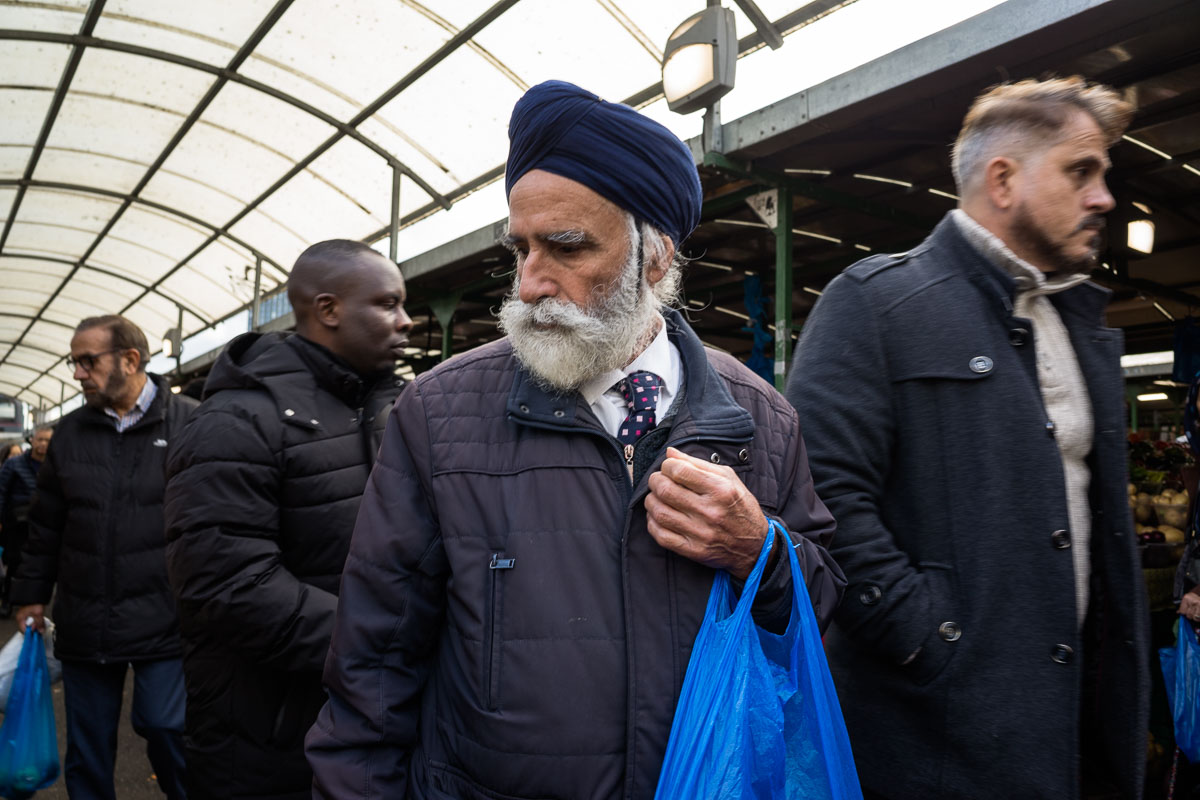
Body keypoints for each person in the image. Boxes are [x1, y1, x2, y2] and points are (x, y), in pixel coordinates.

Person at [305, 80, 844, 799]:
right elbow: (371, 675)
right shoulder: (439, 414)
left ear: (655, 257)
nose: (530, 284)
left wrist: (759, 550)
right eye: (521, 249)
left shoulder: (760, 417)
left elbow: (824, 607)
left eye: (565, 247)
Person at [786, 76, 1150, 799]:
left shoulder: (1071, 321)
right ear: (1003, 178)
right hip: (939, 742)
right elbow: (822, 495)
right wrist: (930, 639)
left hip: (1070, 731)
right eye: (1082, 170)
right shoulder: (877, 303)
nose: (1104, 196)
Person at [163, 239, 412, 799]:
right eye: (388, 304)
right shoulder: (233, 423)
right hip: (266, 738)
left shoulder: (393, 410)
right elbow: (225, 585)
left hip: (368, 720)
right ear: (328, 310)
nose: (406, 320)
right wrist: (383, 637)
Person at [12, 314, 197, 800]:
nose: (78, 374)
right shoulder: (70, 434)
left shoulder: (190, 423)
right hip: (85, 615)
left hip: (165, 614)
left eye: (87, 361)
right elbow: (46, 523)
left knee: (166, 727)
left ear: (130, 360)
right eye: (76, 363)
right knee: (88, 749)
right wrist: (30, 594)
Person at [0, 425, 52, 616]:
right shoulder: (14, 464)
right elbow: (1, 492)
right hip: (18, 524)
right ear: (32, 440)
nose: (43, 444)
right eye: (40, 439)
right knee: (14, 563)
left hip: (45, 523)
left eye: (48, 440)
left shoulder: (56, 464)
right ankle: (7, 600)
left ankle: (33, 601)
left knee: (40, 563)